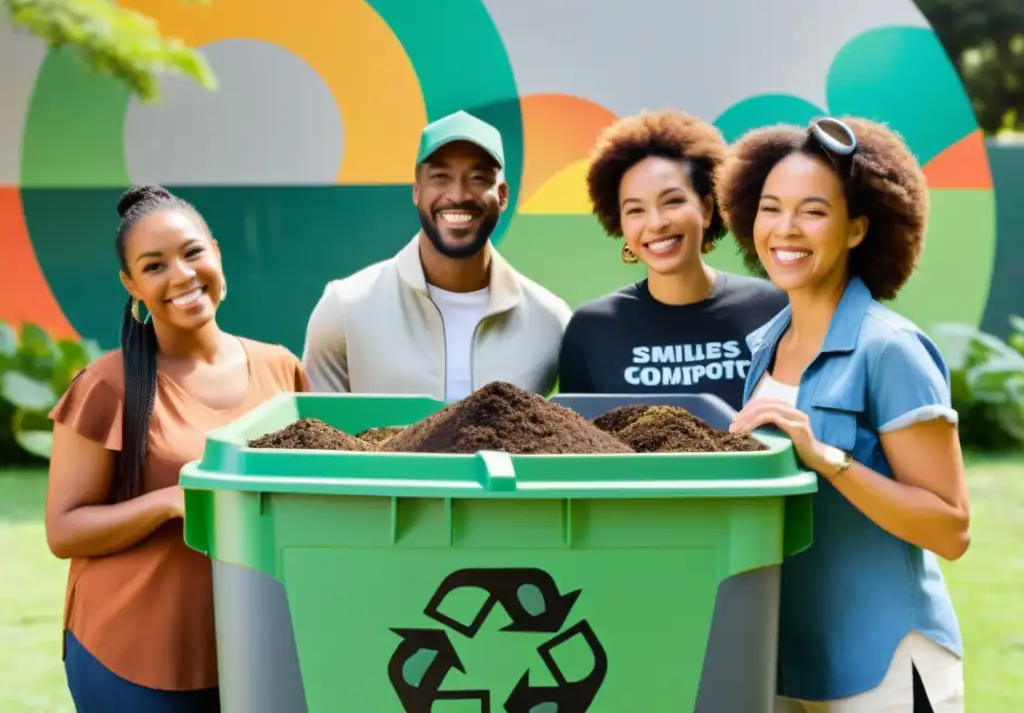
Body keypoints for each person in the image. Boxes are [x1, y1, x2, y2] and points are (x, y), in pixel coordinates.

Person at [718, 116, 969, 712]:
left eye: (813, 211)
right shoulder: (765, 348)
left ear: (857, 228)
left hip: (883, 665)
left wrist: (828, 458)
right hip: (785, 663)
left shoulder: (891, 349)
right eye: (771, 208)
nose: (785, 229)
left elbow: (951, 529)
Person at [44, 185, 308, 712]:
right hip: (133, 658)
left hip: (259, 648)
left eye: (192, 253)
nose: (183, 276)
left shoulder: (283, 369)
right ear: (131, 284)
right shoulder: (107, 386)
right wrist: (170, 503)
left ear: (215, 250)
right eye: (154, 265)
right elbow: (64, 529)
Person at [303, 109, 572, 400]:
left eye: (478, 177)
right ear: (416, 192)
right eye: (441, 176)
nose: (458, 194)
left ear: (503, 195)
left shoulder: (550, 321)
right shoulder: (345, 308)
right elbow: (319, 439)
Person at [557, 109, 788, 411]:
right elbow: (577, 449)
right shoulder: (591, 328)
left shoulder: (774, 309)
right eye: (635, 210)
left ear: (707, 209)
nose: (655, 223)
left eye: (672, 202)